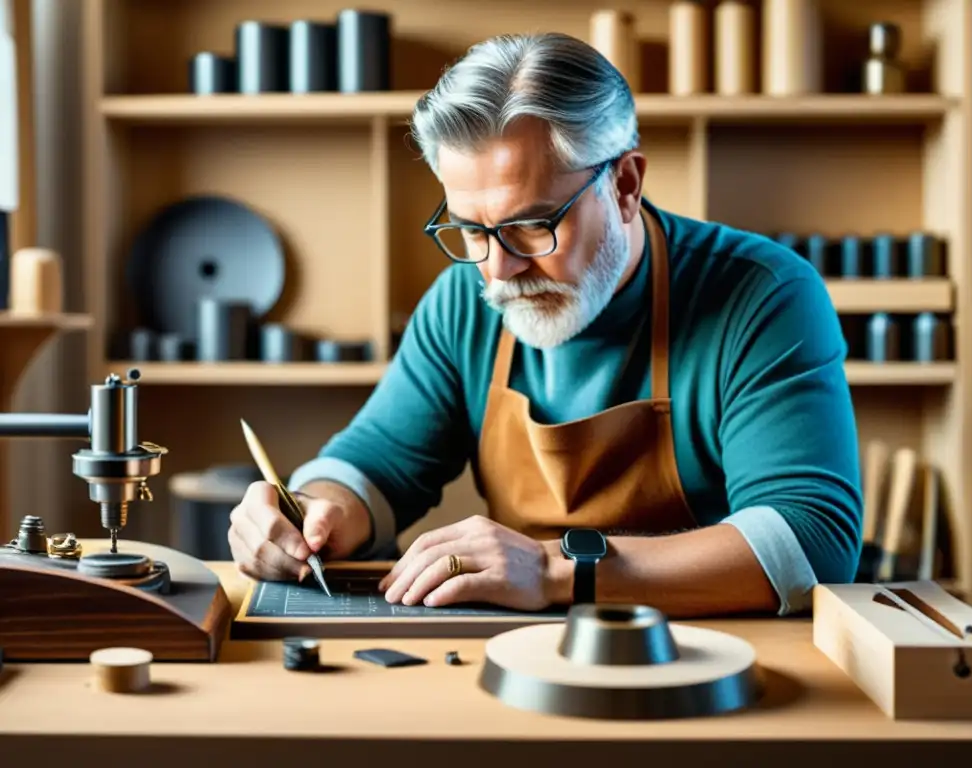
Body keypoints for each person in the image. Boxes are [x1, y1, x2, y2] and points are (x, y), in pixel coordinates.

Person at [227, 32, 863, 618]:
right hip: (519, 651)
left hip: (709, 652)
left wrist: (558, 570)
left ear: (624, 184)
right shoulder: (462, 303)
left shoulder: (761, 294)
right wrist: (310, 511)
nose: (499, 270)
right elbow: (375, 466)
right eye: (471, 230)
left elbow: (811, 537)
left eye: (533, 224)